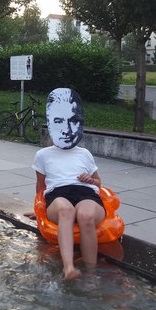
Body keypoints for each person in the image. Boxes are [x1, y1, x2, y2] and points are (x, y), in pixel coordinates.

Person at [31, 88, 106, 280]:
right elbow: (41, 187)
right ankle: (69, 267)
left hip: (86, 193)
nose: (66, 129)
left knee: (86, 215)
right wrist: (38, 209)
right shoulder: (43, 155)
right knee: (66, 211)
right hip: (58, 195)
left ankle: (90, 274)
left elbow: (99, 181)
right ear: (50, 124)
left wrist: (91, 180)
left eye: (72, 121)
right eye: (58, 121)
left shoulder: (84, 153)